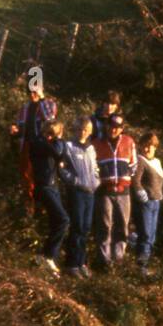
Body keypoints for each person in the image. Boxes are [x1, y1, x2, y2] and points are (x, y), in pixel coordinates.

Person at [92, 112, 137, 267]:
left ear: (122, 128)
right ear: (107, 126)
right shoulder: (97, 143)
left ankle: (118, 258)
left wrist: (124, 179)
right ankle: (105, 260)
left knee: (123, 225)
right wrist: (102, 179)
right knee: (105, 225)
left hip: (124, 192)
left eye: (117, 127)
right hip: (105, 191)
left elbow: (134, 165)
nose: (114, 129)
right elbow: (93, 167)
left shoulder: (129, 141)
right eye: (111, 126)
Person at [29, 121, 70, 275]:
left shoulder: (48, 144)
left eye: (53, 133)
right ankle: (49, 255)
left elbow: (60, 156)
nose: (50, 136)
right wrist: (59, 139)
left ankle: (43, 256)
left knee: (56, 222)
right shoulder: (40, 142)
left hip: (52, 186)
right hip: (44, 186)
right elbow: (59, 153)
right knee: (63, 219)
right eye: (49, 132)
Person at [61, 116, 99, 278]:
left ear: (90, 131)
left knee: (85, 227)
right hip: (76, 192)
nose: (82, 132)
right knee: (76, 227)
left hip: (90, 193)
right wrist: (75, 181)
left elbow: (95, 169)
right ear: (74, 130)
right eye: (79, 129)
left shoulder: (91, 148)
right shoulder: (68, 146)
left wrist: (96, 182)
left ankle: (82, 262)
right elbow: (62, 169)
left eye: (85, 129)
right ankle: (71, 264)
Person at [10, 81, 58, 203]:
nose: (32, 94)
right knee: (27, 179)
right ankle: (29, 208)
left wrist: (42, 99)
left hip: (42, 148)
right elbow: (20, 129)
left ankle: (43, 207)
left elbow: (50, 120)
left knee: (42, 179)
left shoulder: (49, 104)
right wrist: (15, 131)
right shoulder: (25, 108)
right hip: (27, 147)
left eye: (35, 91)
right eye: (30, 91)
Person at [132, 131, 163, 276]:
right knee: (145, 234)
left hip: (156, 202)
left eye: (150, 146)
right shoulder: (140, 160)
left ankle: (146, 264)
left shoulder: (157, 162)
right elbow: (135, 181)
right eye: (144, 146)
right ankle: (141, 267)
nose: (147, 149)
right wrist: (142, 194)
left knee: (152, 235)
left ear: (155, 147)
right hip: (145, 203)